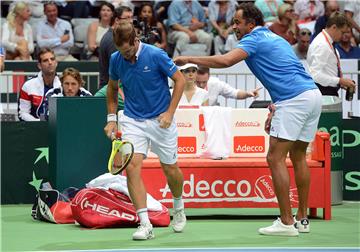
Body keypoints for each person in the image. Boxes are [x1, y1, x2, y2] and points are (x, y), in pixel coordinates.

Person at [175, 2, 322, 236]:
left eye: (237, 22)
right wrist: (275, 107)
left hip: (293, 99)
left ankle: (286, 222)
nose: (234, 27)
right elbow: (285, 72)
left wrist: (187, 59)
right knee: (298, 156)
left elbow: (225, 61)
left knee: (275, 157)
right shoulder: (275, 38)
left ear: (251, 24)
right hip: (312, 95)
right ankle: (302, 218)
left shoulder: (253, 39)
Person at [103, 21, 186, 240]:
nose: (126, 55)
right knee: (131, 168)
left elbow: (180, 80)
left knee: (171, 170)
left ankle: (178, 206)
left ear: (135, 40)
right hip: (132, 120)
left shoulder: (155, 54)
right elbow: (112, 89)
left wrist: (169, 113)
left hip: (161, 120)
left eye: (129, 50)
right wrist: (112, 119)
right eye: (121, 51)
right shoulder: (116, 59)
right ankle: (145, 223)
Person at [307, 12, 357, 97]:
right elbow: (315, 75)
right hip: (323, 93)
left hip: (326, 91)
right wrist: (340, 81)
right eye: (342, 32)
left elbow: (326, 71)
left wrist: (340, 83)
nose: (343, 36)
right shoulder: (322, 44)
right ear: (334, 27)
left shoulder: (326, 42)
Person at [18, 48, 61, 121]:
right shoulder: (28, 85)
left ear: (56, 63)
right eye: (45, 60)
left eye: (52, 59)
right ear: (39, 66)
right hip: (34, 128)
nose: (50, 62)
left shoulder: (63, 84)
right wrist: (38, 123)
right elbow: (23, 113)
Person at [98, 5, 133, 87]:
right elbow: (118, 70)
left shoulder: (116, 36)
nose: (131, 21)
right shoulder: (113, 39)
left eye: (131, 17)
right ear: (117, 20)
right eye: (127, 18)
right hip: (112, 89)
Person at [196, 67, 261, 106]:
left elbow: (235, 93)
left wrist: (247, 94)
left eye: (204, 82)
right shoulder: (186, 84)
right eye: (197, 82)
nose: (201, 85)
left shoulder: (216, 83)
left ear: (209, 76)